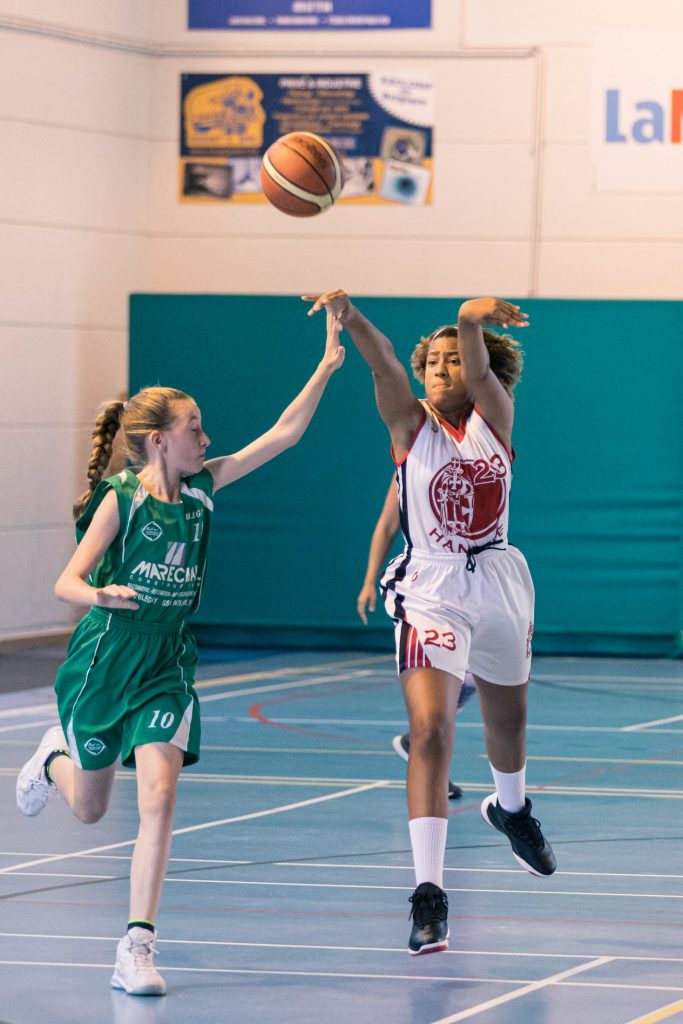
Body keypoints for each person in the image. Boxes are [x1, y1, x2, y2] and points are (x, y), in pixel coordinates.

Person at [16, 312, 345, 996]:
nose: (206, 437)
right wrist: (101, 594)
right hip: (106, 662)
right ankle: (52, 758)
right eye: (195, 428)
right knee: (89, 810)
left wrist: (325, 364)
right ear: (160, 440)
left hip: (166, 662)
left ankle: (136, 946)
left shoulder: (203, 491)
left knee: (160, 798)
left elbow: (282, 435)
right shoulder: (122, 500)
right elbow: (66, 581)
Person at [304, 289, 555, 957]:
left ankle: (511, 810)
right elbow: (383, 361)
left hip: (498, 579)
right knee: (430, 728)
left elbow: (478, 367)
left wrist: (470, 318)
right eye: (433, 362)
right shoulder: (408, 424)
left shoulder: (495, 416)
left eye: (455, 359)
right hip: (432, 588)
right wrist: (351, 317)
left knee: (508, 723)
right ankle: (428, 893)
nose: (443, 370)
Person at [356, 479, 476, 798]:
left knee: (473, 677)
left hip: (474, 584)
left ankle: (417, 740)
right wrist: (368, 581)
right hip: (428, 592)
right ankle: (432, 767)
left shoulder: (477, 463)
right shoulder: (408, 468)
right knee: (445, 681)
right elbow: (386, 525)